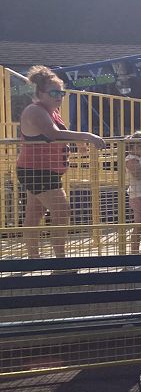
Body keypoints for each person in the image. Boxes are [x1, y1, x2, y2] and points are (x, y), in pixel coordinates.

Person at [17, 66, 106, 258]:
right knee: (62, 212)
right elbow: (53, 134)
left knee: (34, 214)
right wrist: (87, 136)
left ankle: (33, 259)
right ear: (40, 93)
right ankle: (59, 260)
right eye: (54, 93)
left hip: (45, 170)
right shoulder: (35, 110)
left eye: (62, 93)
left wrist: (77, 142)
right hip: (37, 170)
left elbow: (58, 133)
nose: (59, 97)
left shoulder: (52, 111)